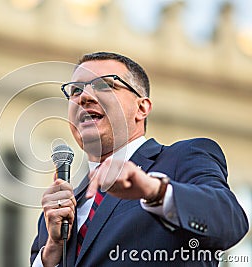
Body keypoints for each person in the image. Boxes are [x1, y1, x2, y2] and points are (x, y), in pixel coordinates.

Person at [30, 52, 248, 266]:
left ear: (142, 108)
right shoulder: (58, 211)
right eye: (76, 90)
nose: (84, 96)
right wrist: (52, 251)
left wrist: (152, 190)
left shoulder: (183, 158)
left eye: (105, 85)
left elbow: (230, 221)